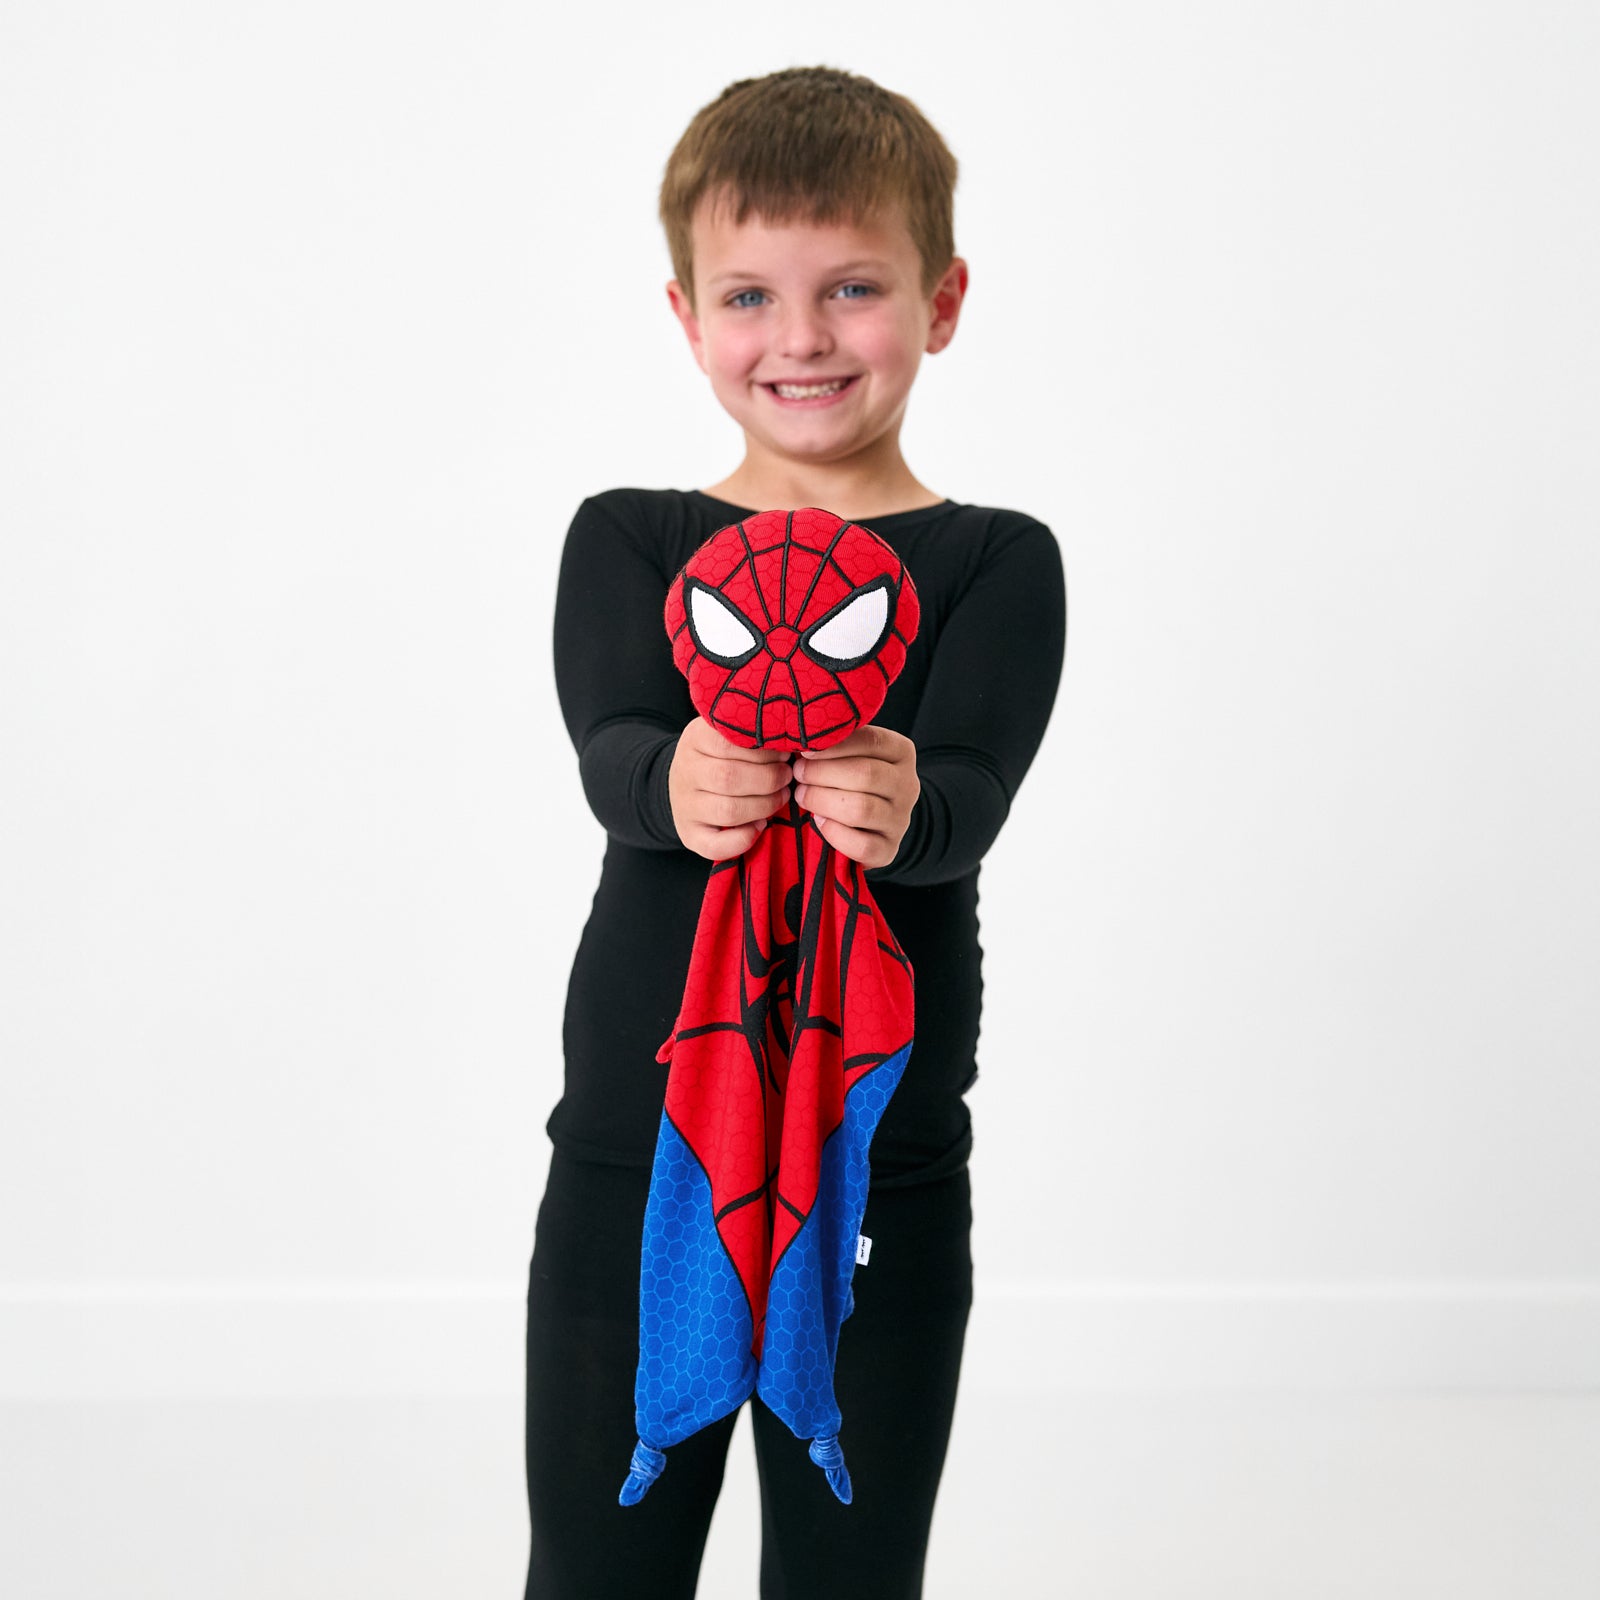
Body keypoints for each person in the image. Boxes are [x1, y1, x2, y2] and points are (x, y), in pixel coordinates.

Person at [523, 64, 1067, 1600]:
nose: (803, 337)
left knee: (851, 1574)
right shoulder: (632, 537)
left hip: (878, 1168)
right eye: (750, 296)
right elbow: (614, 753)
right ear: (688, 317)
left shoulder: (996, 562)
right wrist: (672, 781)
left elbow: (967, 801)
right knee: (595, 1570)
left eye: (853, 288)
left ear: (941, 302)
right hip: (640, 1156)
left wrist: (908, 801)